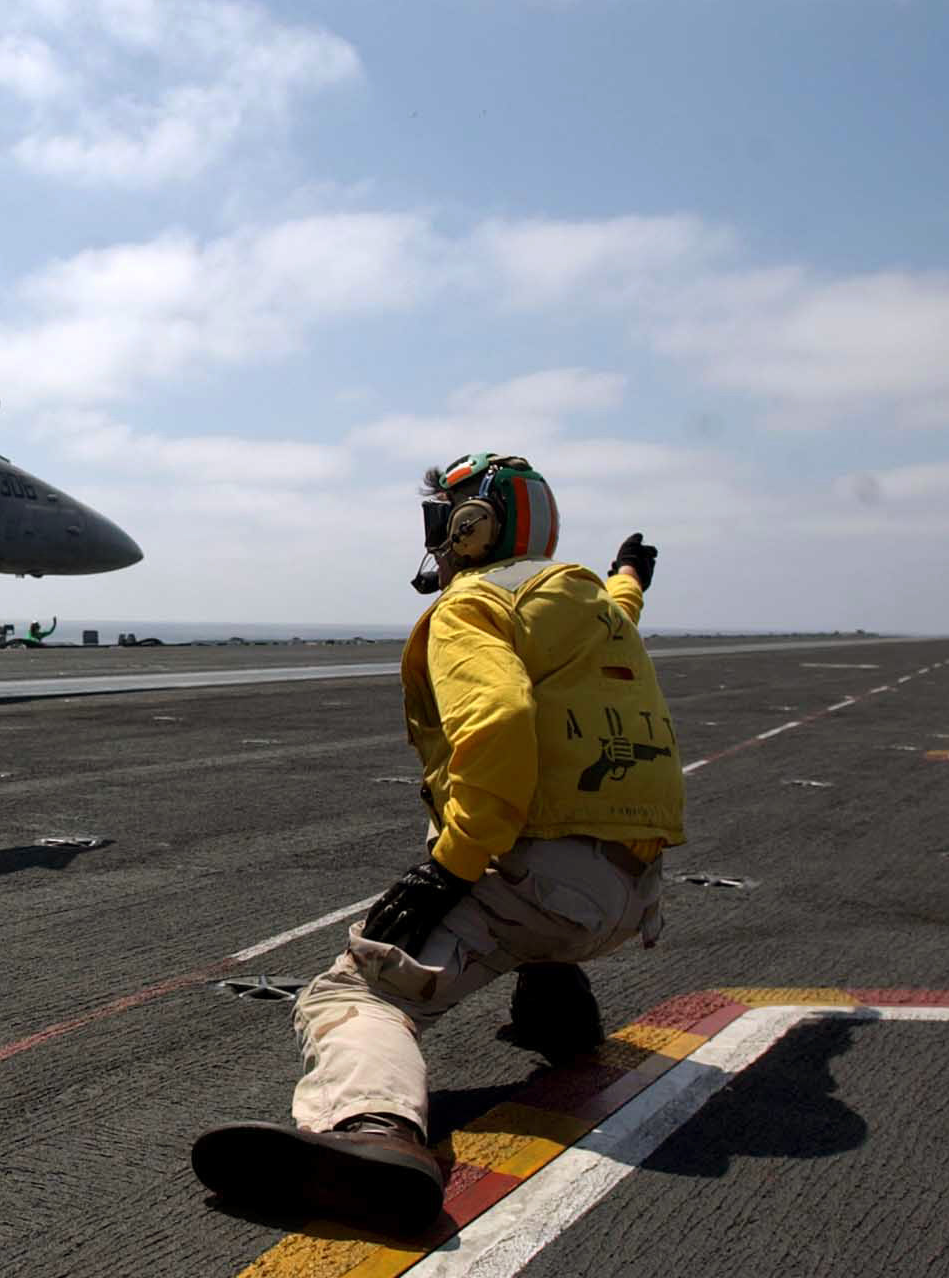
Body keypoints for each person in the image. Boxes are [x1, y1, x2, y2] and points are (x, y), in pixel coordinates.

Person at [191, 452, 684, 1235]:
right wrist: (631, 573)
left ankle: (374, 1135)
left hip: (541, 882)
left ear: (472, 525)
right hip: (634, 891)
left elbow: (500, 721)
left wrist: (448, 867)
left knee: (351, 991)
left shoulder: (474, 605)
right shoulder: (594, 603)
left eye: (443, 520)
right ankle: (559, 1013)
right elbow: (624, 607)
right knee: (528, 897)